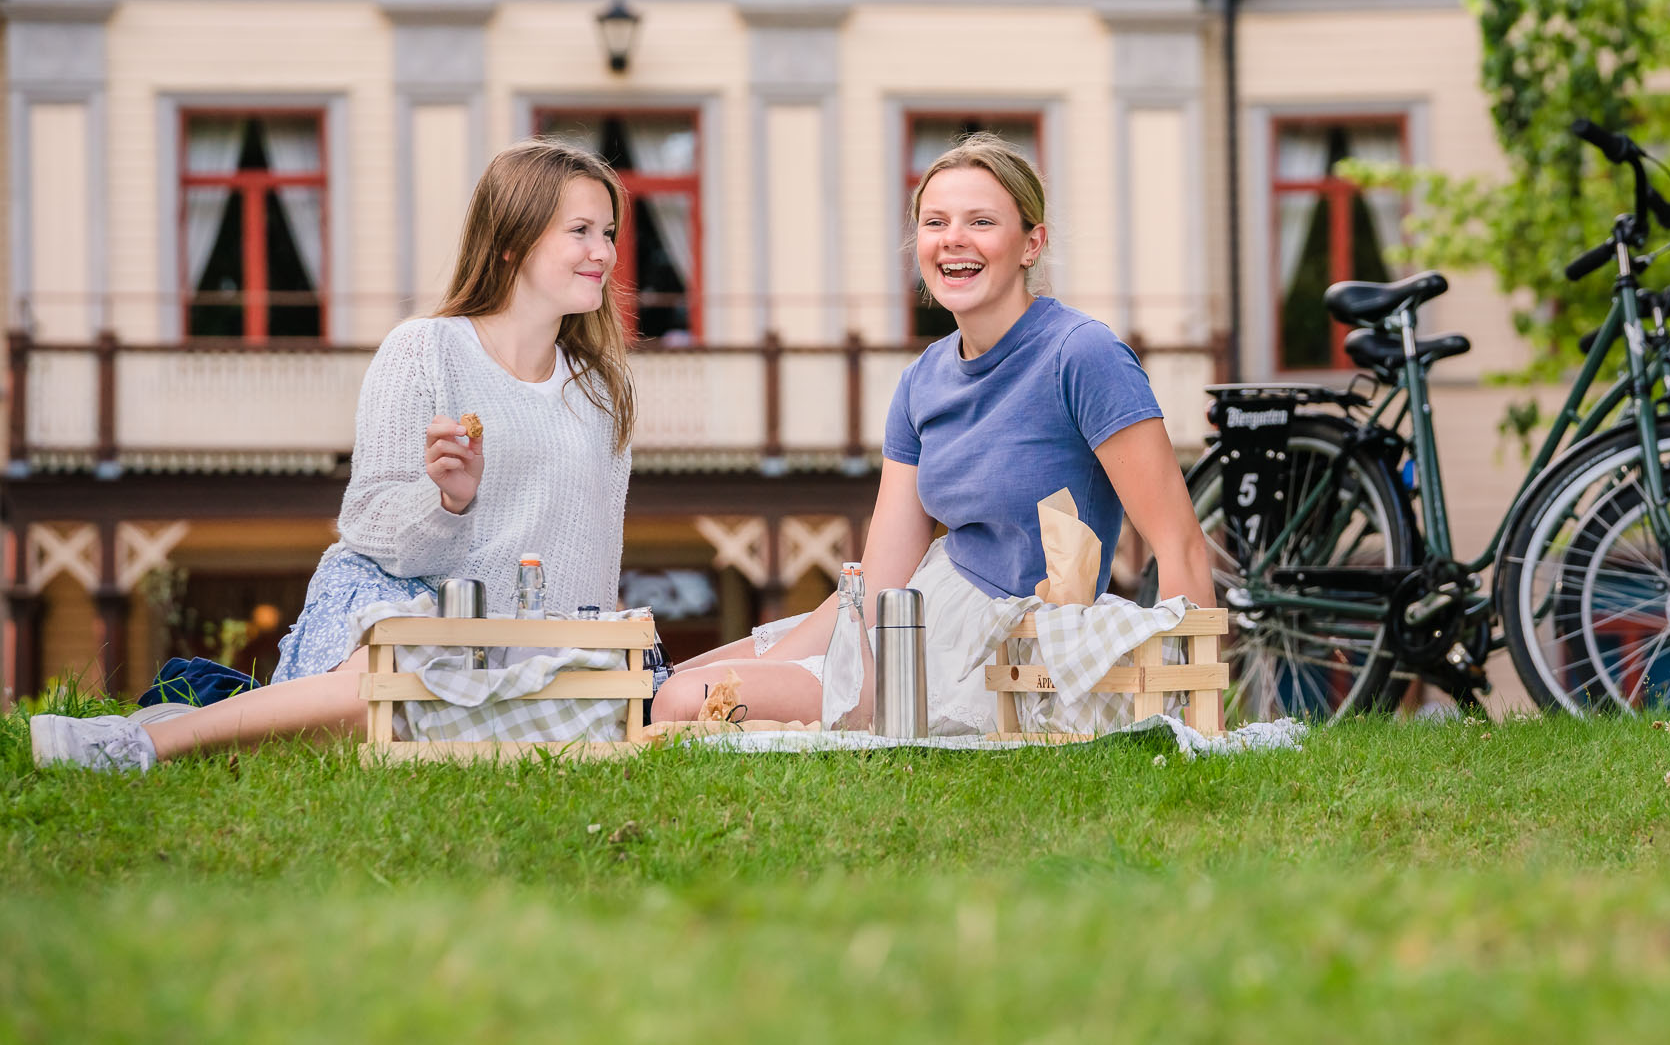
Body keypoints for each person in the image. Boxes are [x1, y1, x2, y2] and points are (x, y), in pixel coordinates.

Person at [32, 140, 636, 771]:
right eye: (580, 231)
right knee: (388, 684)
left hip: (513, 646)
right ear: (511, 241)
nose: (604, 252)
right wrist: (446, 502)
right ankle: (137, 746)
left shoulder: (602, 391)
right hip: (395, 607)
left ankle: (206, 721)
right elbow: (368, 523)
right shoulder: (423, 351)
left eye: (608, 232)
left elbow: (594, 558)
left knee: (435, 703)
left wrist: (582, 658)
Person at [652, 133, 1213, 733]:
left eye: (981, 221)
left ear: (1032, 244)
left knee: (683, 700)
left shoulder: (1082, 354)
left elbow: (1179, 544)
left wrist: (1198, 717)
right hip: (915, 619)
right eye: (935, 222)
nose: (953, 239)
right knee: (669, 681)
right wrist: (784, 660)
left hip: (1002, 652)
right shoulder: (922, 380)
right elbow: (879, 580)